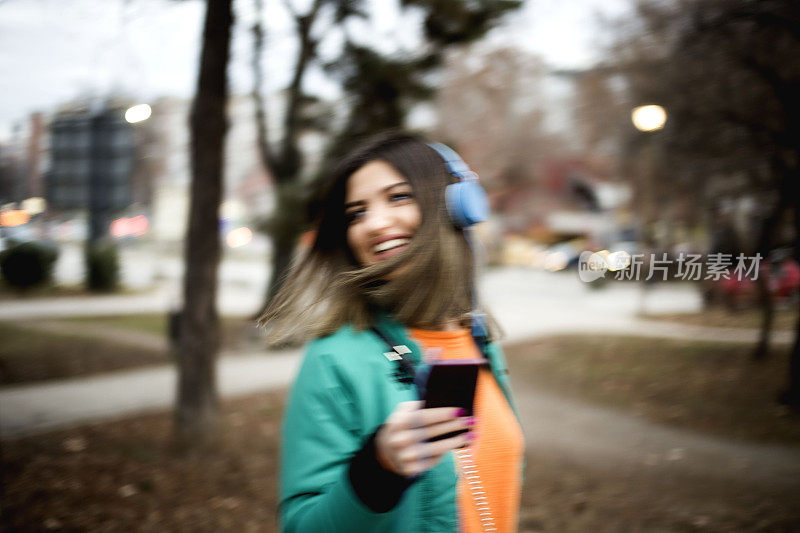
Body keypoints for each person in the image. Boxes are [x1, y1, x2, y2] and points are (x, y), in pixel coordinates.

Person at [259, 131, 525, 532]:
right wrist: (376, 470)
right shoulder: (334, 358)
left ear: (455, 208)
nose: (375, 224)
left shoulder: (481, 343)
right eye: (356, 213)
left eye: (398, 197)